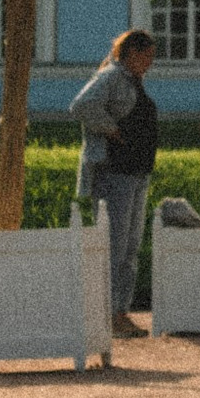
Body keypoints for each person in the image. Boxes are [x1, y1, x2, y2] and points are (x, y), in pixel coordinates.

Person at [71, 27, 160, 337]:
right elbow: (81, 105)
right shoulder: (112, 76)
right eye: (146, 56)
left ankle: (120, 312)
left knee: (131, 246)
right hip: (115, 171)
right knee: (115, 246)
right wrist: (112, 130)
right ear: (132, 53)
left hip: (135, 171)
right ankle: (107, 314)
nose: (150, 63)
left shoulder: (132, 80)